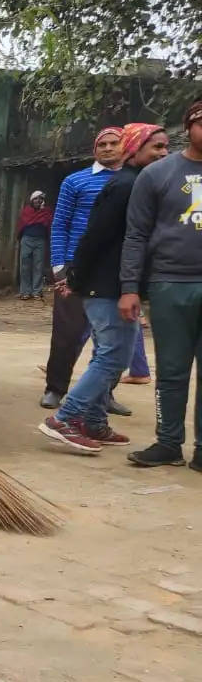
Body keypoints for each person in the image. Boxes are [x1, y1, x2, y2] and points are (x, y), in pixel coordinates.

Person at [39, 123, 167, 454]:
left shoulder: (133, 182)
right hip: (105, 283)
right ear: (135, 149)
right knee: (112, 355)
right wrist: (73, 276)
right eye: (156, 148)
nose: (164, 154)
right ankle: (64, 417)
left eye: (166, 147)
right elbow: (95, 235)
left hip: (110, 281)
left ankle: (93, 422)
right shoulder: (126, 186)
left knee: (109, 352)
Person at [120, 101, 202, 471]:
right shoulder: (157, 175)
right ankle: (168, 443)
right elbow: (135, 235)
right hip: (170, 283)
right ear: (189, 127)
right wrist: (129, 286)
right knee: (171, 370)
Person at [41, 128, 126, 409]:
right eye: (102, 144)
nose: (108, 148)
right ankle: (55, 388)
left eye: (114, 143)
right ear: (94, 149)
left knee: (110, 338)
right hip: (76, 268)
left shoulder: (134, 182)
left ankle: (104, 393)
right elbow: (60, 223)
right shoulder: (75, 182)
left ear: (125, 147)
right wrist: (59, 266)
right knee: (67, 332)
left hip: (115, 270)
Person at [16, 191, 51, 299]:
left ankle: (37, 291)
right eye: (36, 198)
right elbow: (21, 225)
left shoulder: (47, 211)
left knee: (38, 266)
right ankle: (25, 292)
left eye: (40, 199)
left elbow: (49, 225)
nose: (38, 201)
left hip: (40, 240)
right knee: (25, 266)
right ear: (31, 200)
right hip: (27, 239)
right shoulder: (26, 211)